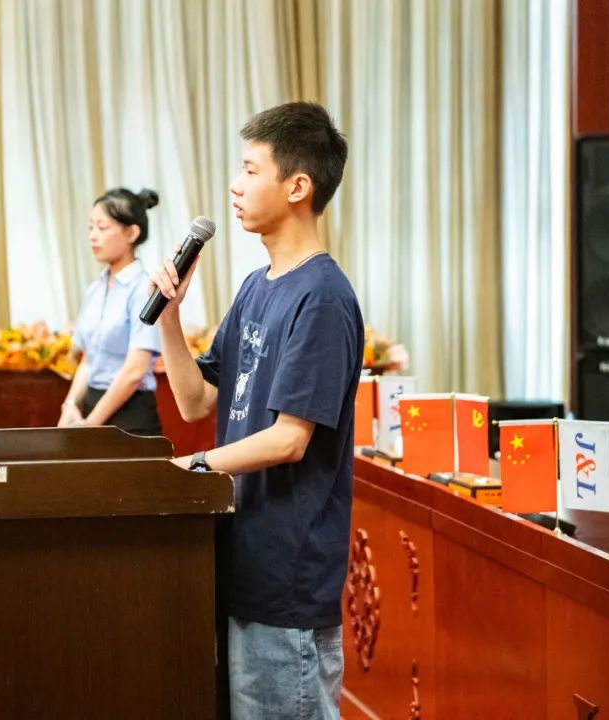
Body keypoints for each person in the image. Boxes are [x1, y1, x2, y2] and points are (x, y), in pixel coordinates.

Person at [148, 102, 362, 719]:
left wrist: (192, 466)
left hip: (286, 576)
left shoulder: (322, 297)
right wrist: (170, 319)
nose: (235, 186)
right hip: (241, 560)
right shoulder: (256, 286)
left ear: (297, 187)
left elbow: (289, 439)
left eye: (249, 170)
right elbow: (197, 399)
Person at [59, 188, 163, 436]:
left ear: (132, 233)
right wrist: (70, 406)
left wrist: (91, 425)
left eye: (102, 228)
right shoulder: (94, 289)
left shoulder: (145, 289)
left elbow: (135, 371)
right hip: (91, 407)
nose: (93, 236)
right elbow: (88, 359)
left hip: (131, 417)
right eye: (91, 228)